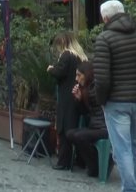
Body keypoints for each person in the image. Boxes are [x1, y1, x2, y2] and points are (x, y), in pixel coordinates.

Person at [94, 0, 136, 192]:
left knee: (123, 149)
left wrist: (102, 101)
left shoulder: (104, 38)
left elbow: (102, 80)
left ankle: (130, 189)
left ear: (105, 18)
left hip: (116, 102)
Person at [47, 31, 87, 170]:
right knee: (75, 127)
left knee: (64, 129)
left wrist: (51, 69)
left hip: (66, 97)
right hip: (78, 95)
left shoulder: (66, 55)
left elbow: (59, 73)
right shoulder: (80, 56)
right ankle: (79, 160)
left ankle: (64, 162)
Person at [66, 61, 109, 178]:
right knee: (70, 134)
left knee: (79, 136)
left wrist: (84, 95)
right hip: (95, 125)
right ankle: (94, 164)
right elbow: (85, 112)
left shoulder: (95, 88)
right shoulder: (87, 88)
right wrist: (79, 98)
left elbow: (95, 103)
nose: (76, 79)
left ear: (87, 74)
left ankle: (95, 166)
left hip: (104, 127)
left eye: (79, 75)